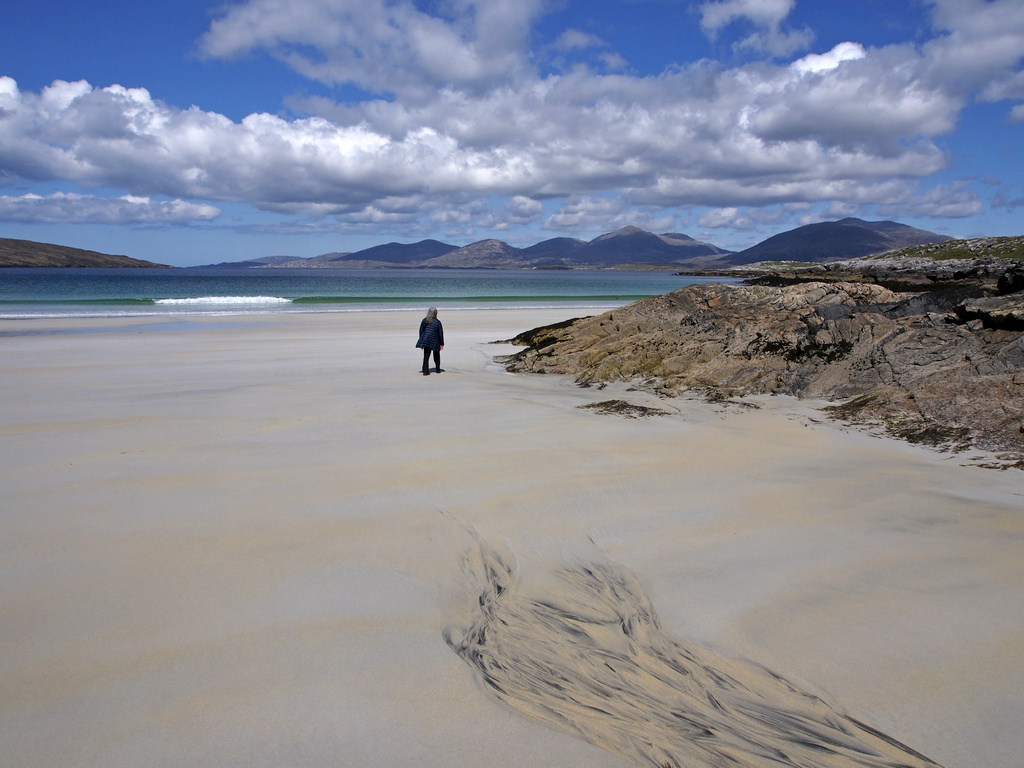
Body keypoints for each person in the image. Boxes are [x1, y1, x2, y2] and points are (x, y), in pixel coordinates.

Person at [416, 306, 444, 375]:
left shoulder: (425, 320)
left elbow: (421, 331)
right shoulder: (438, 322)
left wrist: (421, 340)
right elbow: (440, 333)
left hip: (426, 339)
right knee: (436, 355)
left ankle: (425, 371)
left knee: (426, 356)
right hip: (435, 340)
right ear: (435, 313)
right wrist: (442, 343)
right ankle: (438, 369)